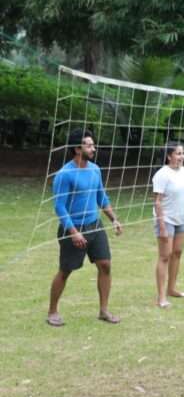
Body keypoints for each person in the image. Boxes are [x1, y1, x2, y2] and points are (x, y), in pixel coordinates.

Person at [48, 128, 122, 326]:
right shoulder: (65, 174)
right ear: (77, 149)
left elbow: (101, 197)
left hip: (95, 225)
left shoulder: (95, 169)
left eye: (92, 144)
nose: (93, 148)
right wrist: (73, 232)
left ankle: (104, 311)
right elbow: (59, 206)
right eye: (89, 145)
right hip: (73, 228)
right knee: (65, 271)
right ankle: (52, 312)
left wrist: (113, 218)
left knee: (105, 265)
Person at [152, 141, 184, 308]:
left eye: (183, 153)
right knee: (165, 256)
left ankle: (172, 289)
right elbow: (157, 202)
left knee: (177, 253)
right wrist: (162, 227)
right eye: (178, 153)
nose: (182, 156)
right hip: (166, 220)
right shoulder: (162, 174)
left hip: (182, 219)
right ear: (169, 156)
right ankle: (161, 297)